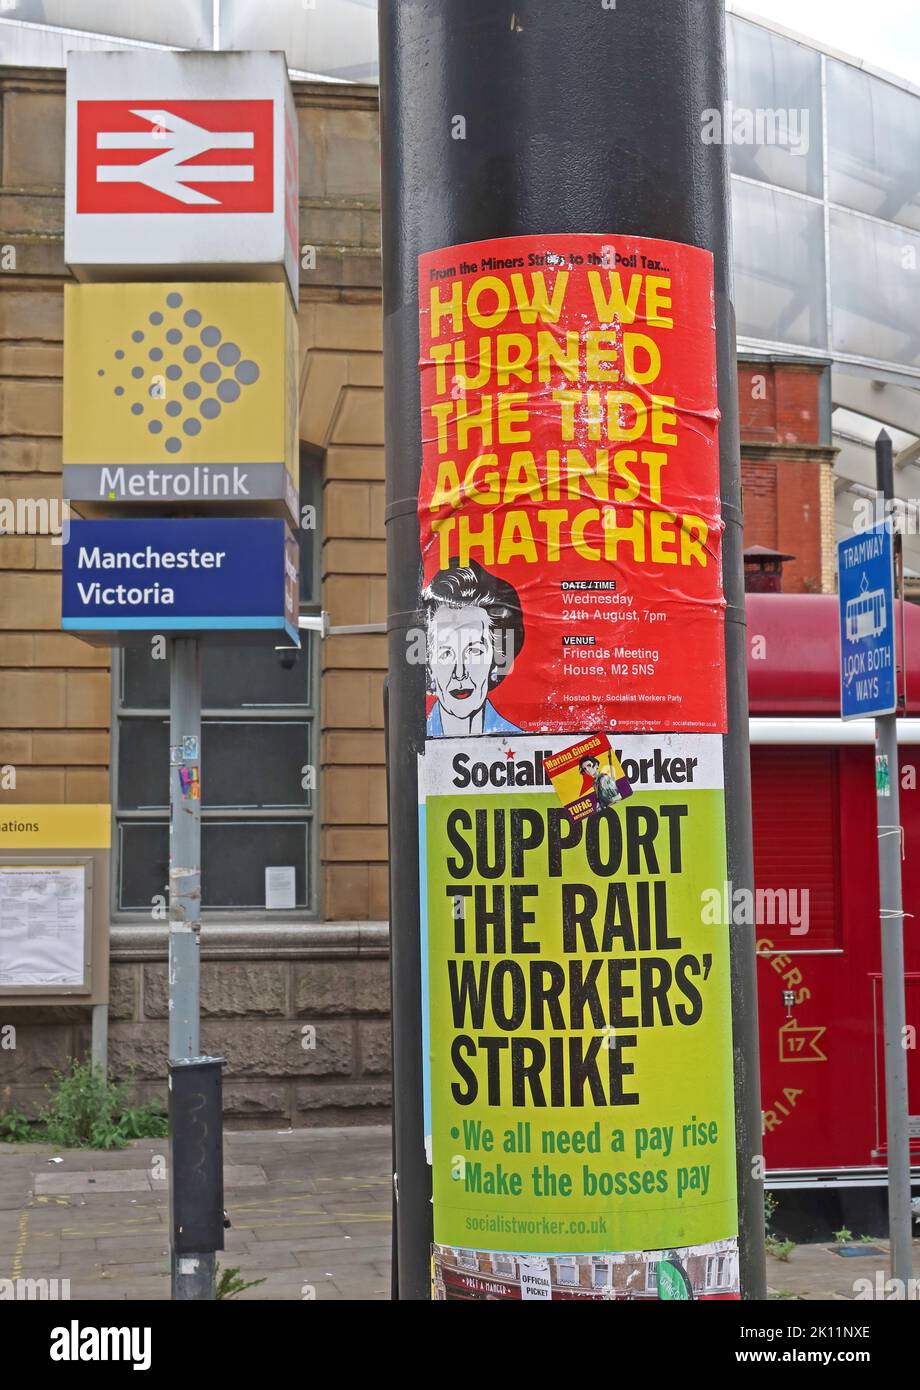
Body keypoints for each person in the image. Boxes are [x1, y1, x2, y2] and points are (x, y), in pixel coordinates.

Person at [422, 559, 524, 736]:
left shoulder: (524, 744)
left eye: (474, 651)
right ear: (429, 666)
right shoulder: (413, 741)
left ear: (496, 658)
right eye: (445, 653)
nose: (460, 673)